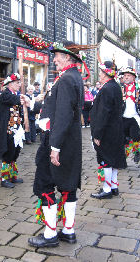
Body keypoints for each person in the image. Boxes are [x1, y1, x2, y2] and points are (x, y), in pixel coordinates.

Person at [28, 41, 83, 248]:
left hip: (57, 140)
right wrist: (33, 104)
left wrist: (55, 147)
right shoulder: (72, 77)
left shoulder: (68, 79)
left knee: (44, 184)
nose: (54, 59)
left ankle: (50, 234)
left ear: (68, 57)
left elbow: (63, 115)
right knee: (68, 185)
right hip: (68, 141)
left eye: (58, 55)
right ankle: (68, 231)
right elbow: (57, 106)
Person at [90, 61, 127, 199]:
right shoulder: (116, 86)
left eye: (101, 72)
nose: (99, 74)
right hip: (116, 128)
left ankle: (106, 189)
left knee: (105, 159)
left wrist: (97, 134)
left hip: (107, 131)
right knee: (114, 158)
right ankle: (114, 186)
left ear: (106, 74)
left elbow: (103, 113)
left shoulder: (106, 89)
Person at [0, 73, 26, 188]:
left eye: (19, 82)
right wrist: (24, 98)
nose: (20, 85)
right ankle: (4, 179)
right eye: (17, 83)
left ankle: (12, 176)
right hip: (8, 130)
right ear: (10, 84)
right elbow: (14, 99)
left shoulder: (16, 94)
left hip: (17, 130)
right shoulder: (5, 94)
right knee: (7, 154)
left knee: (15, 153)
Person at [119, 67, 140, 164]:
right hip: (123, 117)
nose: (126, 77)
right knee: (122, 139)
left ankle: (136, 151)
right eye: (125, 75)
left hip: (135, 117)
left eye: (128, 75)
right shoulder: (120, 87)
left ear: (133, 77)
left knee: (136, 136)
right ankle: (123, 158)